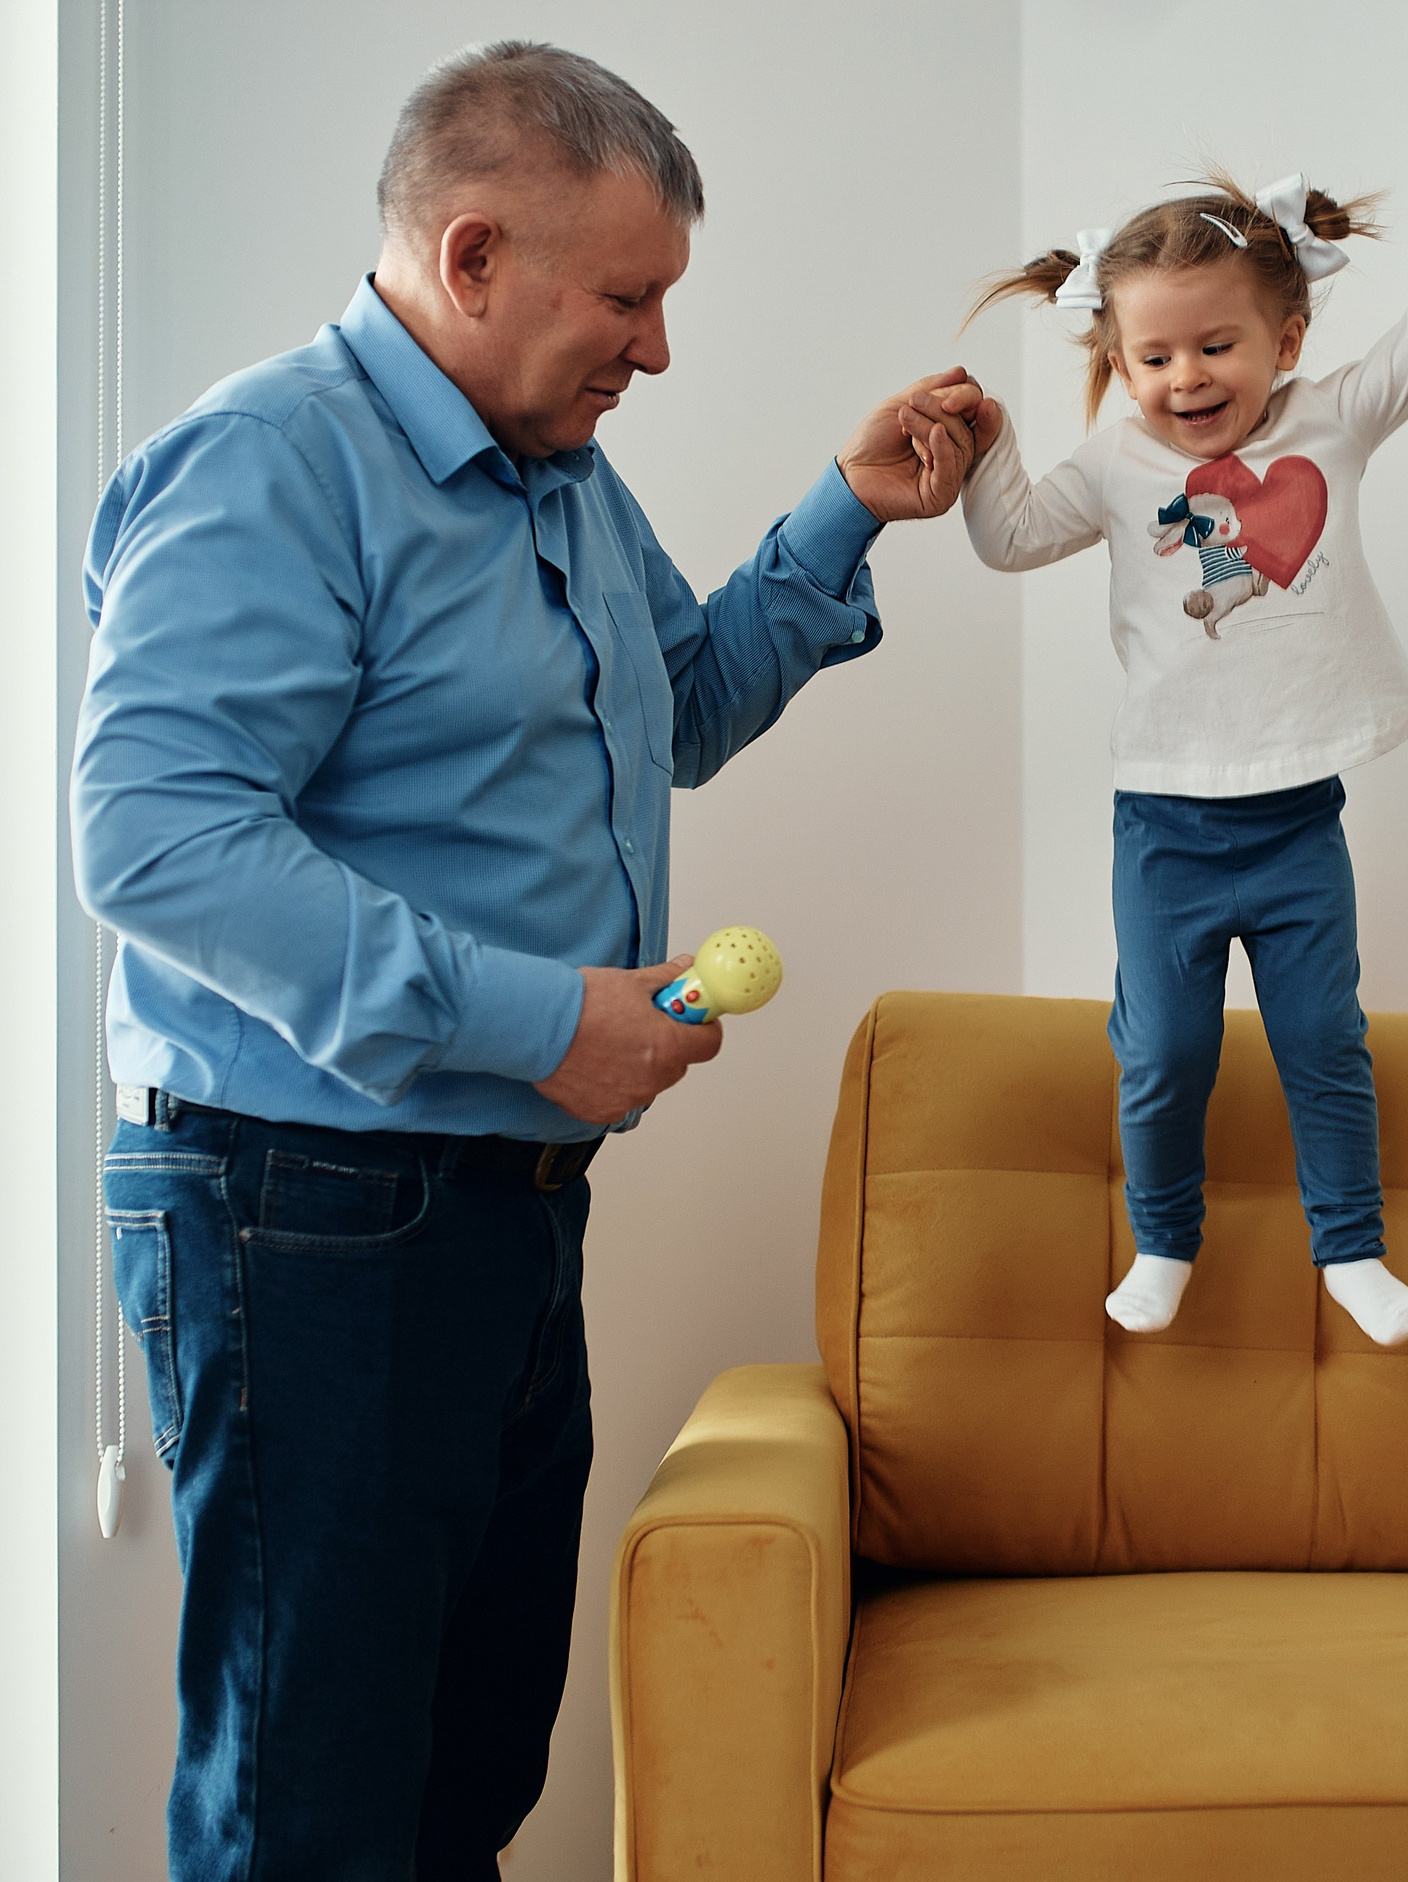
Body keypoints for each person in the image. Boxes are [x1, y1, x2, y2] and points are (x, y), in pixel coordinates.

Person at [72, 40, 981, 1879]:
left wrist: (846, 509)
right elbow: (156, 838)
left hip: (498, 1202)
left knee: (467, 1768)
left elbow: (687, 704)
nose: (654, 349)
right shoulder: (276, 464)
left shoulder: (557, 477)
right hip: (301, 1204)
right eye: (629, 299)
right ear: (473, 255)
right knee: (311, 1811)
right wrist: (533, 1019)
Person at [960, 170, 1408, 1348]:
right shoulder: (1113, 468)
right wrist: (986, 447)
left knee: (1322, 1039)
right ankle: (1163, 1238)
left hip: (1300, 818)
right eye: (1154, 358)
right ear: (1118, 361)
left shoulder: (1329, 422)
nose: (1186, 378)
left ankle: (1351, 1249)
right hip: (1165, 829)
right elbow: (1006, 539)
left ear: (1286, 336)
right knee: (1165, 1048)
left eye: (1217, 346)